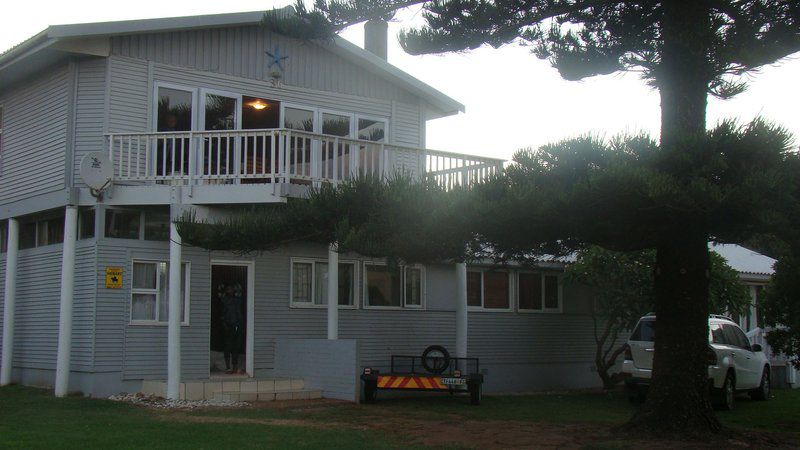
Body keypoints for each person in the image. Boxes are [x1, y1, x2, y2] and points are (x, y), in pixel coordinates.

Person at [220, 285, 244, 374]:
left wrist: (241, 324)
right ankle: (228, 367)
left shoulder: (238, 300)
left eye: (232, 289)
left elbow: (240, 312)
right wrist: (225, 325)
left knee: (236, 347)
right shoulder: (224, 300)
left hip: (238, 326)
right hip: (228, 326)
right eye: (229, 289)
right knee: (228, 346)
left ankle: (235, 366)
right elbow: (222, 315)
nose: (231, 291)